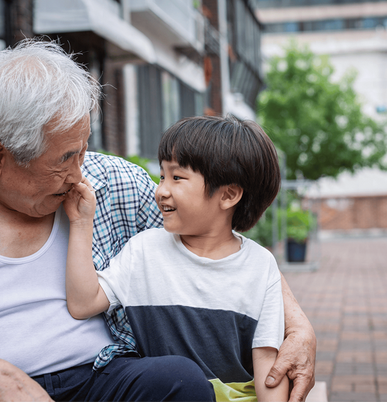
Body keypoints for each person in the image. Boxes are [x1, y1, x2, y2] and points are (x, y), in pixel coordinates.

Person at [0, 39, 316, 401]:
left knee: (176, 380)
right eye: (65, 157)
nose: (82, 172)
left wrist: (294, 323)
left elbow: (217, 243)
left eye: (82, 148)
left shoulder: (111, 181)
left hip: (99, 377)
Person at [63, 116, 290, 402]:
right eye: (161, 176)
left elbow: (268, 363)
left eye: (177, 177)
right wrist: (82, 223)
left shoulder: (260, 265)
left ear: (228, 195)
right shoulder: (144, 251)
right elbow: (83, 303)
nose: (161, 190)